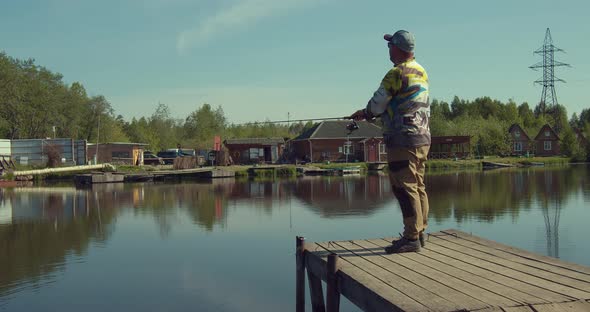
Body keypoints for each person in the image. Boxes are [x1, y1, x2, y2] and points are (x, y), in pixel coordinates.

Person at [349, 30, 430, 253]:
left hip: (403, 138)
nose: (388, 49)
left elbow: (378, 103)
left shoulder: (396, 73)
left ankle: (411, 237)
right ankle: (420, 232)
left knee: (404, 187)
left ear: (396, 48)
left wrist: (365, 112)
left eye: (389, 45)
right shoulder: (421, 71)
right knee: (418, 185)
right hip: (422, 137)